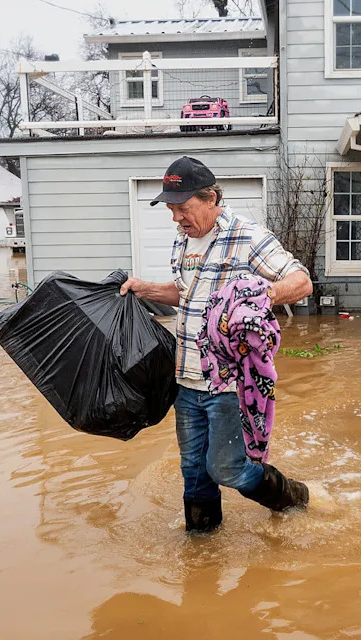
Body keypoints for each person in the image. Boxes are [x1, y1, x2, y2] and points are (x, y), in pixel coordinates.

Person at [120, 156, 313, 533]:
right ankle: (202, 550)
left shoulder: (247, 235)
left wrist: (257, 294)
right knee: (193, 469)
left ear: (210, 198)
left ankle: (293, 497)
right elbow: (186, 294)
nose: (176, 218)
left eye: (183, 208)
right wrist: (146, 289)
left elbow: (302, 282)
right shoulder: (184, 239)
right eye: (172, 210)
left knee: (225, 467)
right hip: (186, 377)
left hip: (227, 383)